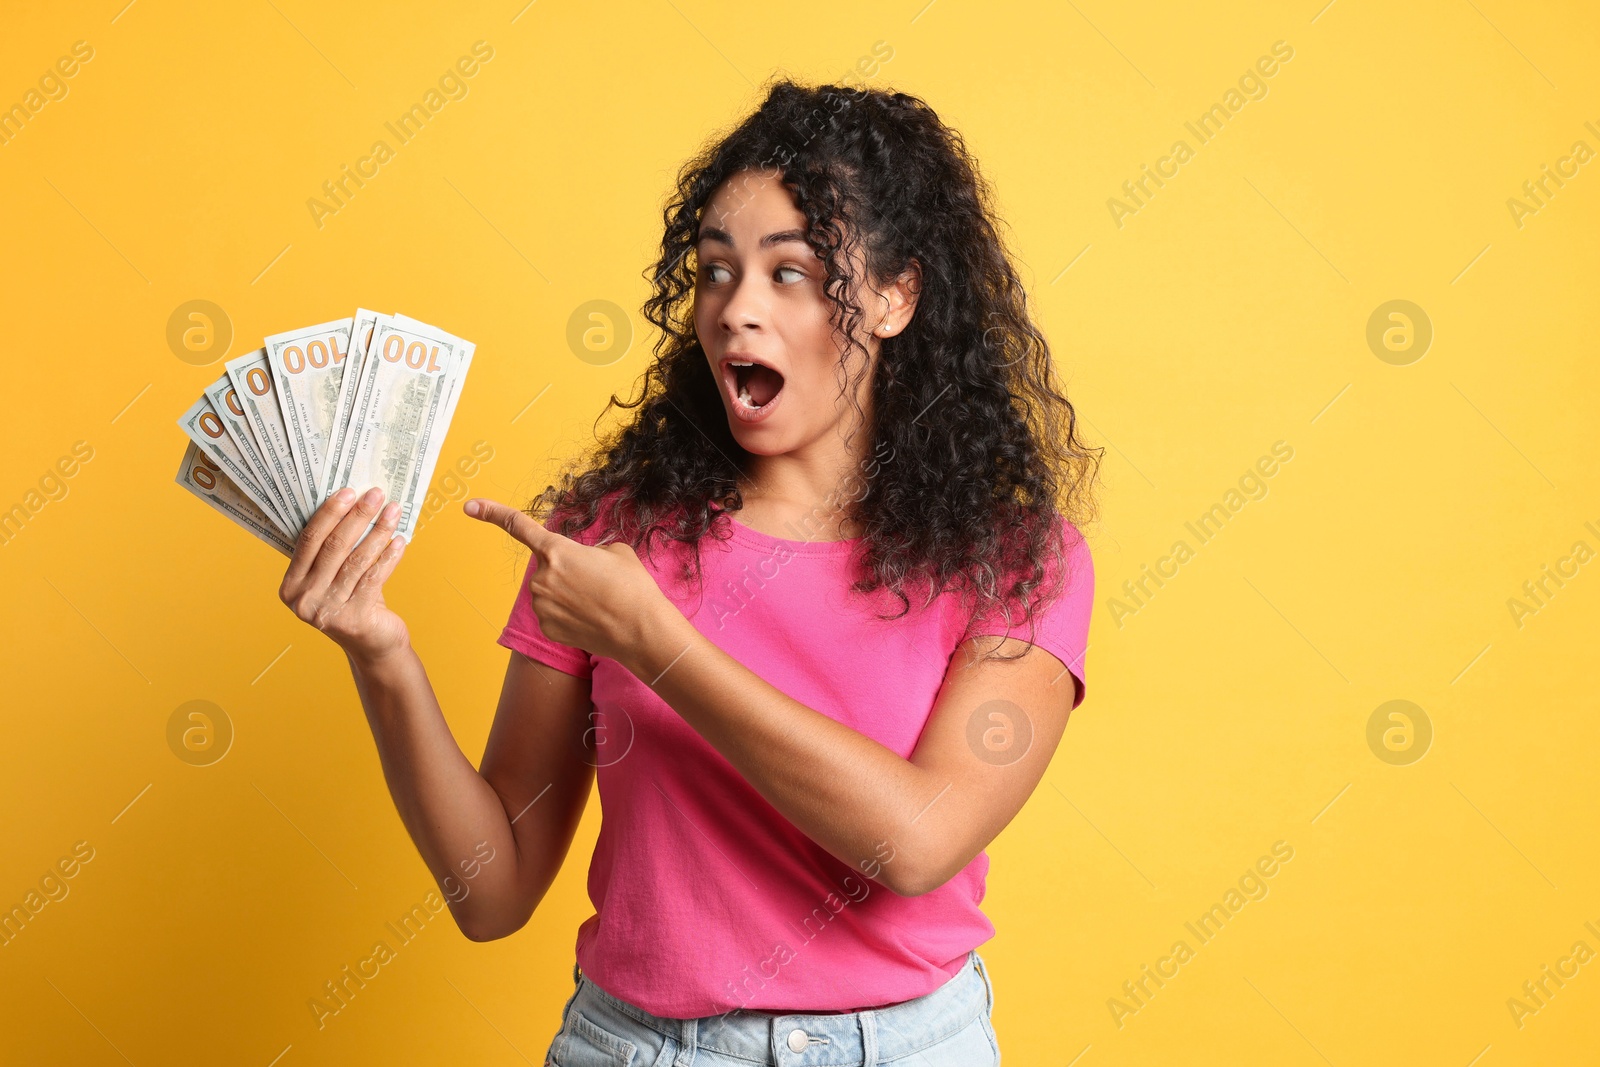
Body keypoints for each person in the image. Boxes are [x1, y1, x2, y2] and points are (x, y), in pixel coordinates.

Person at [278, 77, 1101, 1066]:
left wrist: (656, 644)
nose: (733, 311)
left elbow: (916, 842)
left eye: (789, 274)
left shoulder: (1014, 557)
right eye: (715, 271)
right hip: (639, 1046)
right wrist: (381, 654)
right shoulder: (614, 537)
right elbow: (491, 892)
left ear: (896, 296)